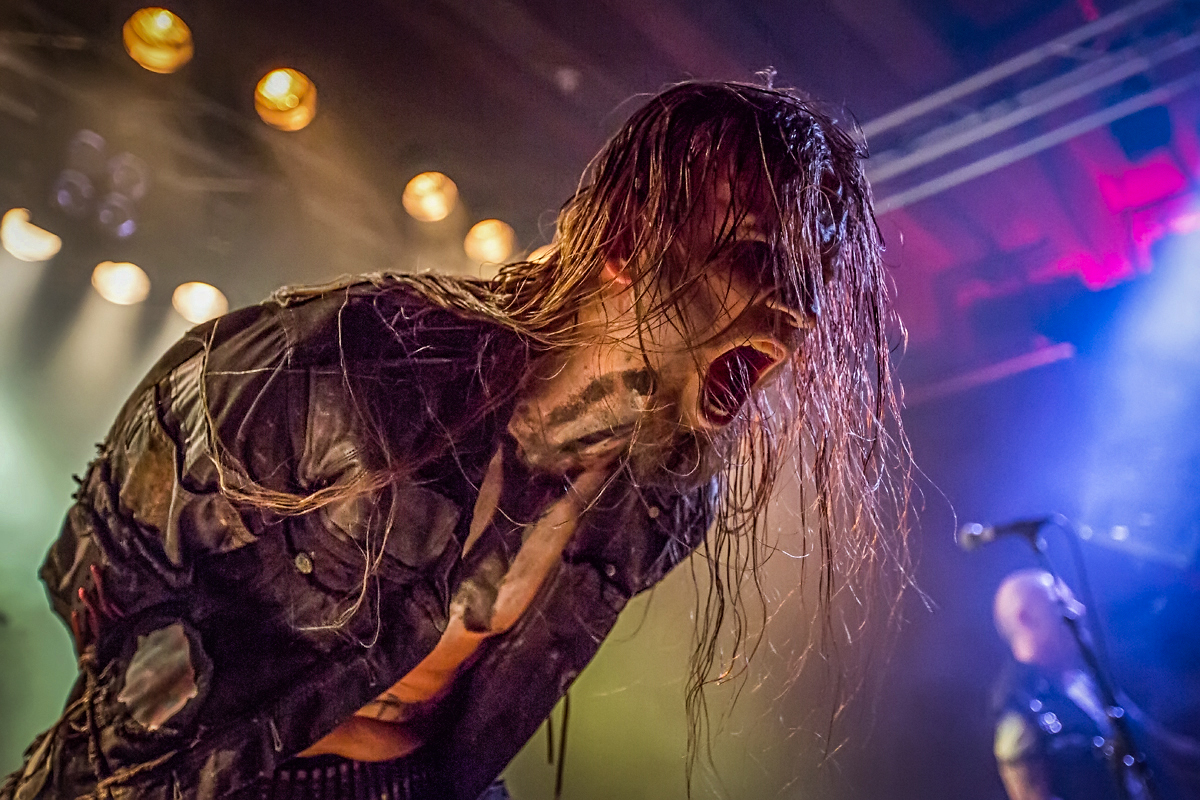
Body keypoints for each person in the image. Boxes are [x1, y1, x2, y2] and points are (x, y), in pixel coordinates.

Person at [1, 80, 908, 800]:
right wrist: (175, 737)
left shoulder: (669, 494)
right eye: (754, 250)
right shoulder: (350, 363)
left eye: (811, 277)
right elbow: (106, 558)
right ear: (628, 235)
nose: (795, 308)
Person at [990, 568, 1200, 800]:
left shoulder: (1083, 678)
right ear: (1025, 618)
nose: (1077, 610)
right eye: (1060, 602)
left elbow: (1155, 742)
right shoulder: (1018, 709)